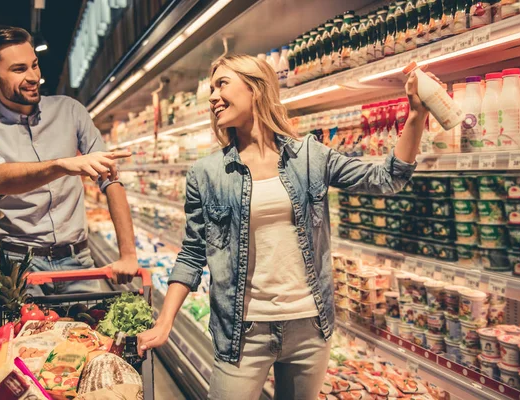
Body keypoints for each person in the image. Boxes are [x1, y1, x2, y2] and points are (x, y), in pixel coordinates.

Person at [137, 53, 431, 399]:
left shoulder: (310, 156)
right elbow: (192, 253)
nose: (213, 96)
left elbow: (388, 178)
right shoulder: (207, 173)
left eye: (222, 84)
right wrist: (165, 320)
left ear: (256, 89)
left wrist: (416, 115)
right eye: (211, 90)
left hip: (309, 327)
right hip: (242, 333)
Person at [0, 26, 138, 293]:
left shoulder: (70, 111)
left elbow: (110, 179)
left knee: (89, 332)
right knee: (28, 334)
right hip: (20, 265)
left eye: (35, 65)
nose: (33, 77)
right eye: (19, 70)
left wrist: (128, 253)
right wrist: (60, 165)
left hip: (78, 259)